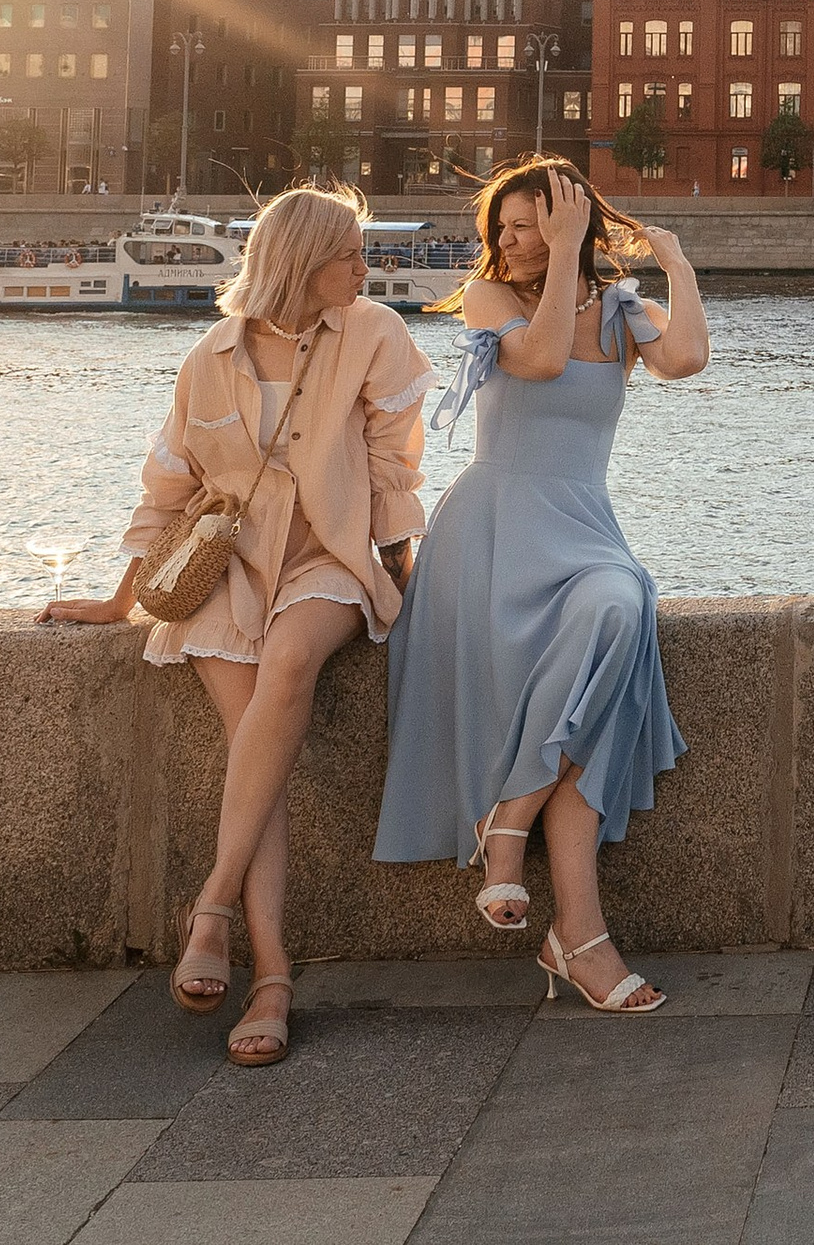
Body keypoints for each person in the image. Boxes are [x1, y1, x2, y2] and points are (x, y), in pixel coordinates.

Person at [42, 185, 429, 1067]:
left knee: (289, 667)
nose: (365, 270)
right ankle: (275, 978)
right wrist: (118, 599)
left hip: (327, 554)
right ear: (300, 262)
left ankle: (210, 905)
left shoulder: (373, 332)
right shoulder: (208, 359)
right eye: (350, 256)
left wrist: (403, 568)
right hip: (226, 571)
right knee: (259, 753)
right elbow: (168, 493)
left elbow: (392, 467)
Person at [374, 157, 708, 1014]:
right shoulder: (492, 302)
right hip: (492, 534)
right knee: (593, 703)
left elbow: (691, 360)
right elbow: (547, 359)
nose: (512, 240)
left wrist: (677, 266)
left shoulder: (624, 312)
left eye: (532, 224)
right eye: (508, 227)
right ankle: (582, 940)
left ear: (576, 224)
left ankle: (508, 818)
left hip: (580, 528)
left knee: (619, 607)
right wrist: (562, 256)